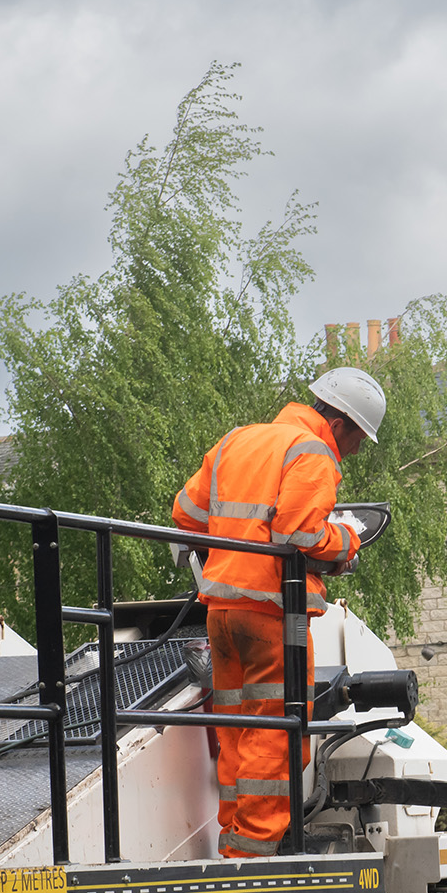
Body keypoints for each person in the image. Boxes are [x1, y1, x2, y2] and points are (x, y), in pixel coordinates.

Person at [174, 367, 385, 857]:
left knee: (237, 731)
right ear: (341, 423)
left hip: (221, 615)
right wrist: (347, 538)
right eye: (356, 439)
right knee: (276, 735)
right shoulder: (312, 454)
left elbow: (185, 513)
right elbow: (300, 536)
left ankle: (234, 845)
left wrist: (238, 547)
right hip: (272, 613)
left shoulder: (238, 440)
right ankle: (255, 858)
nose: (351, 451)